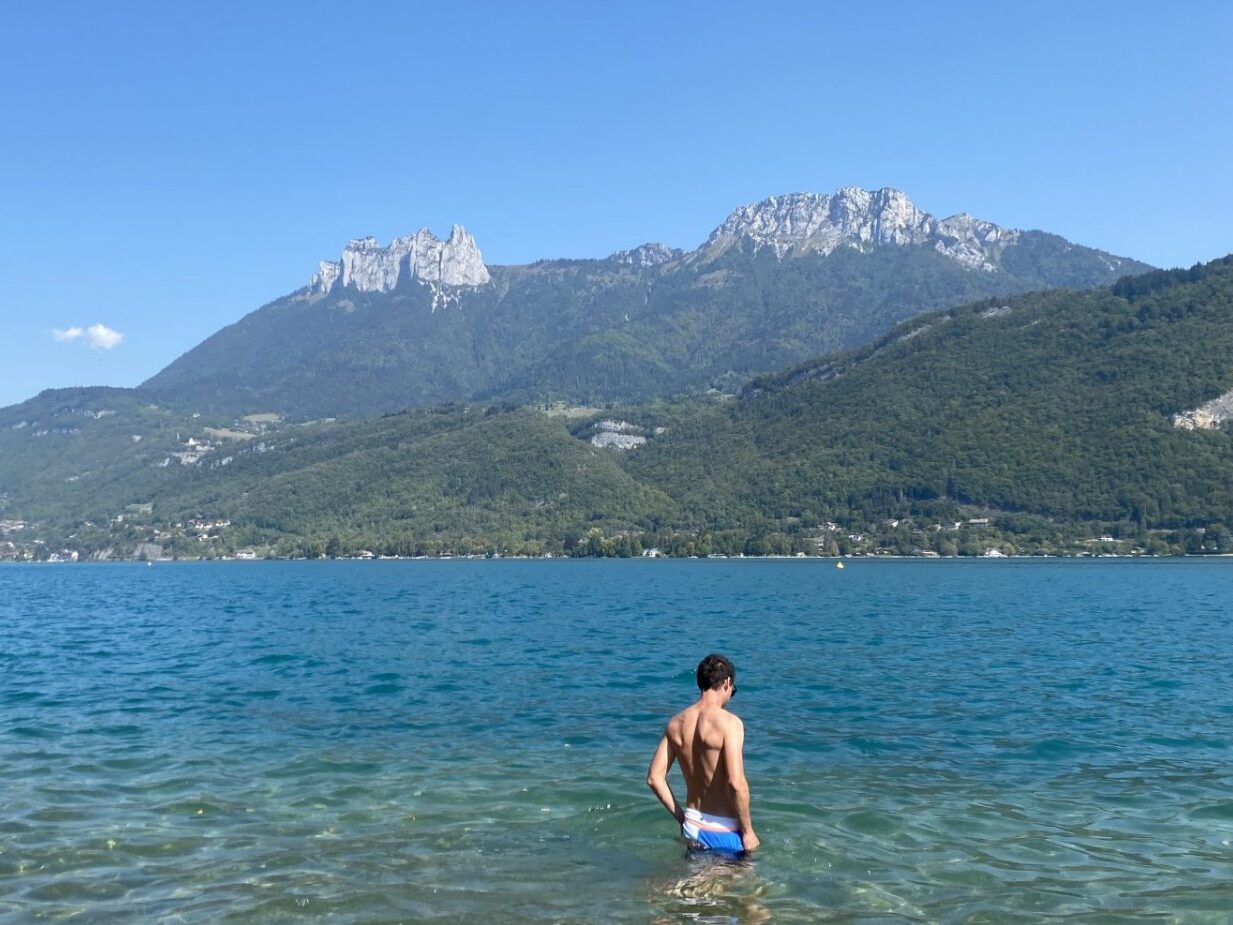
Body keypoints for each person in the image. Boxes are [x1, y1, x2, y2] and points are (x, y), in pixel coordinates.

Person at [647, 653, 760, 855]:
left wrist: (682, 819)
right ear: (727, 682)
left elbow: (654, 778)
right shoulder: (730, 723)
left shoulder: (676, 724)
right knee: (747, 886)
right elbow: (736, 783)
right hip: (724, 830)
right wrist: (748, 831)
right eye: (733, 690)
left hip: (691, 826)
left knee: (697, 881)